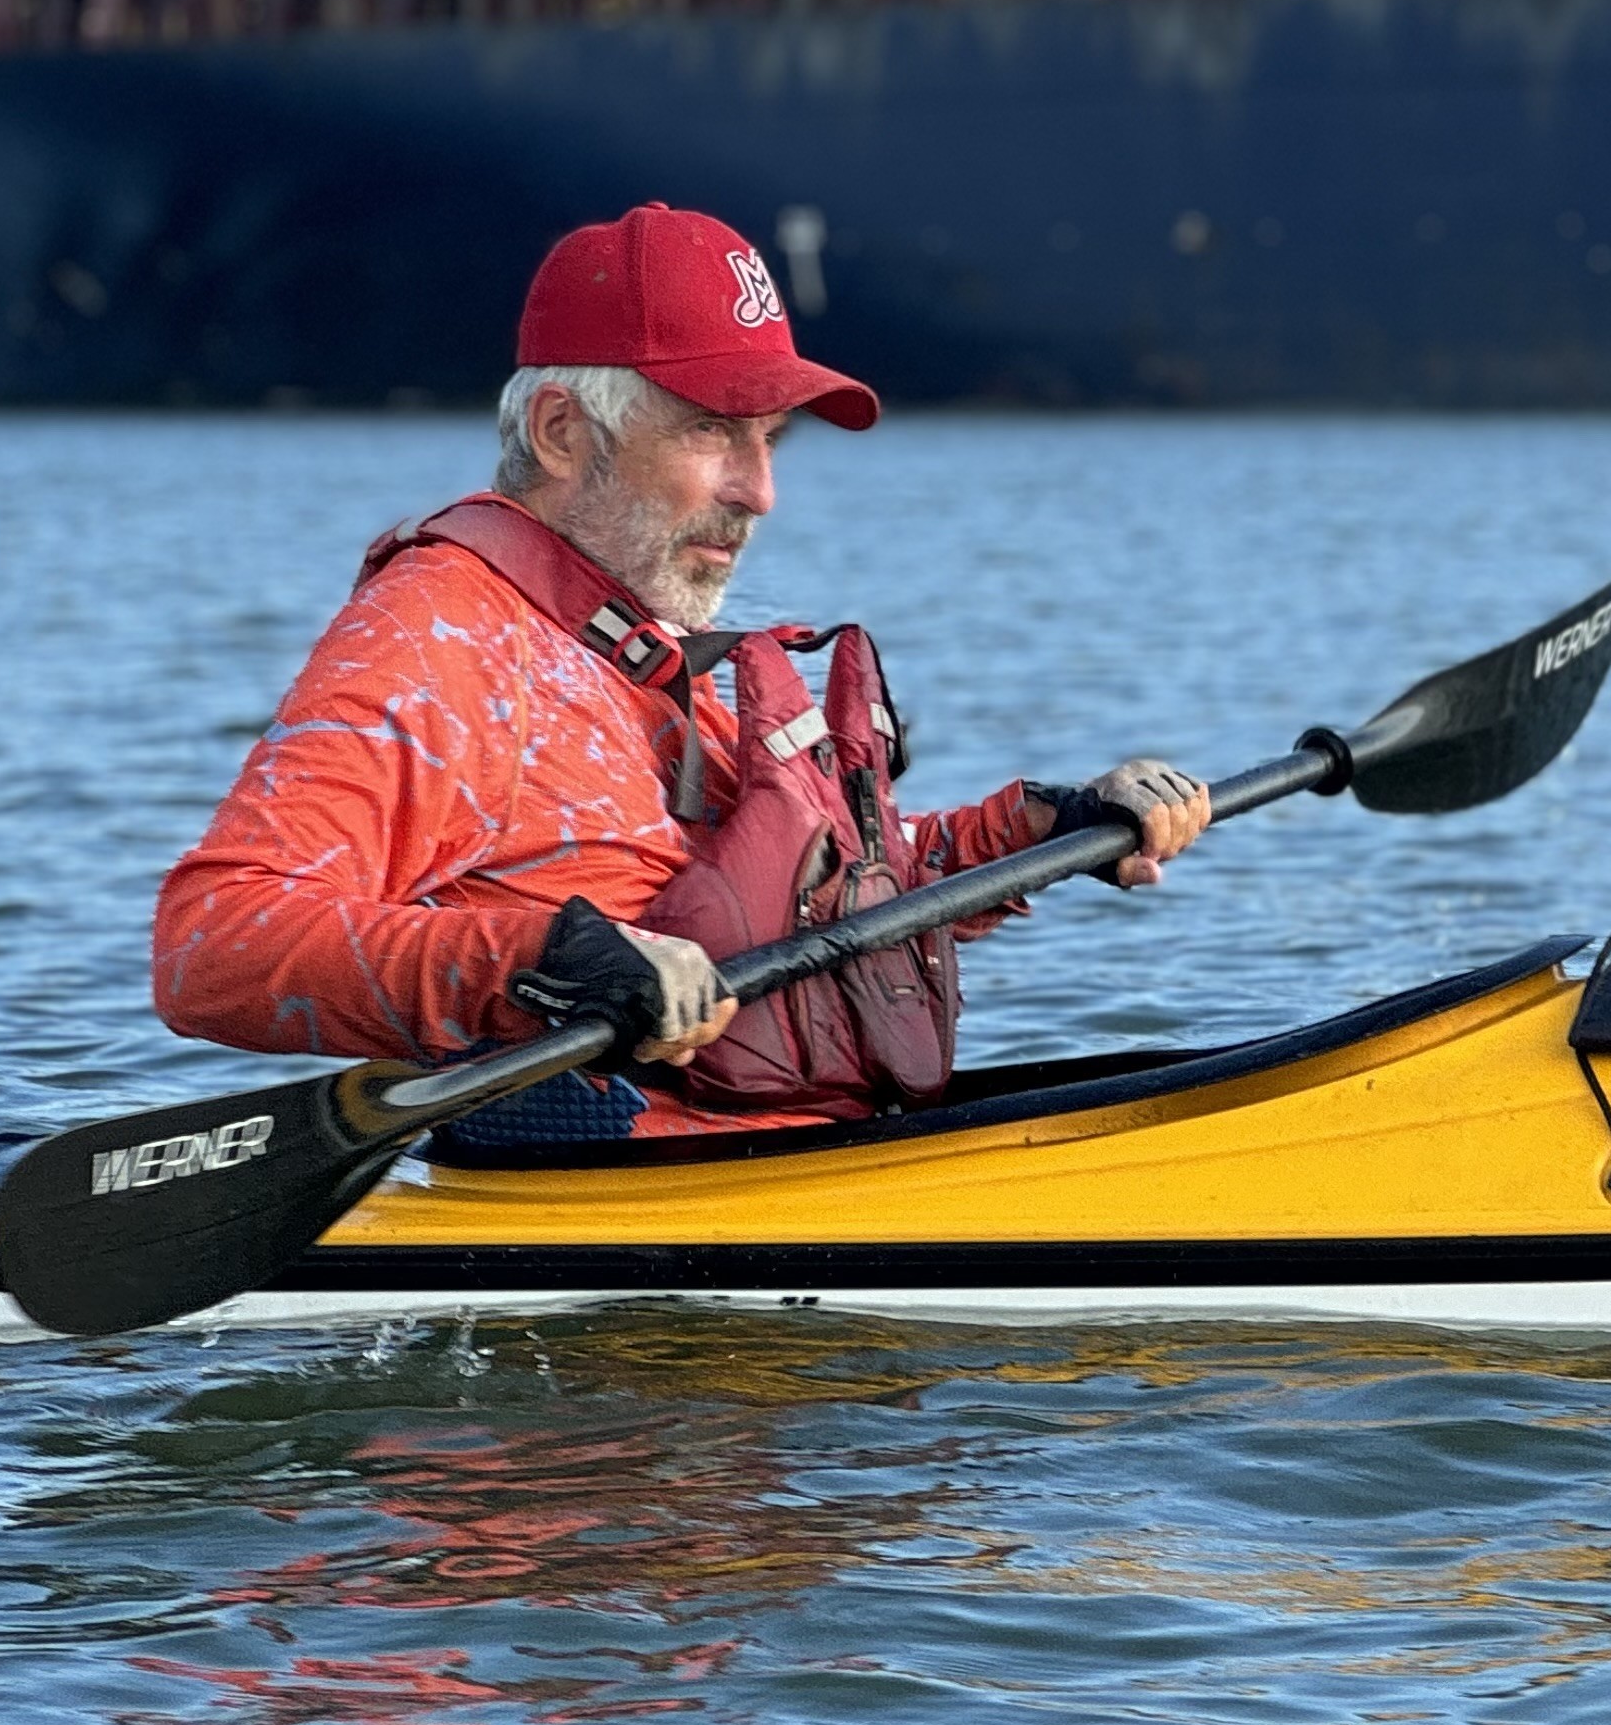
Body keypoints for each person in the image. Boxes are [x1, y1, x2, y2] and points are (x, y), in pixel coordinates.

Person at [151, 202, 1208, 1141]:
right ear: (564, 433)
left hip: (790, 1150)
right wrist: (546, 960)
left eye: (772, 441)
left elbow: (794, 908)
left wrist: (1043, 832)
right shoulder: (437, 639)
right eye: (711, 432)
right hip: (615, 1202)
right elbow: (213, 947)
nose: (759, 492)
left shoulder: (637, 636)